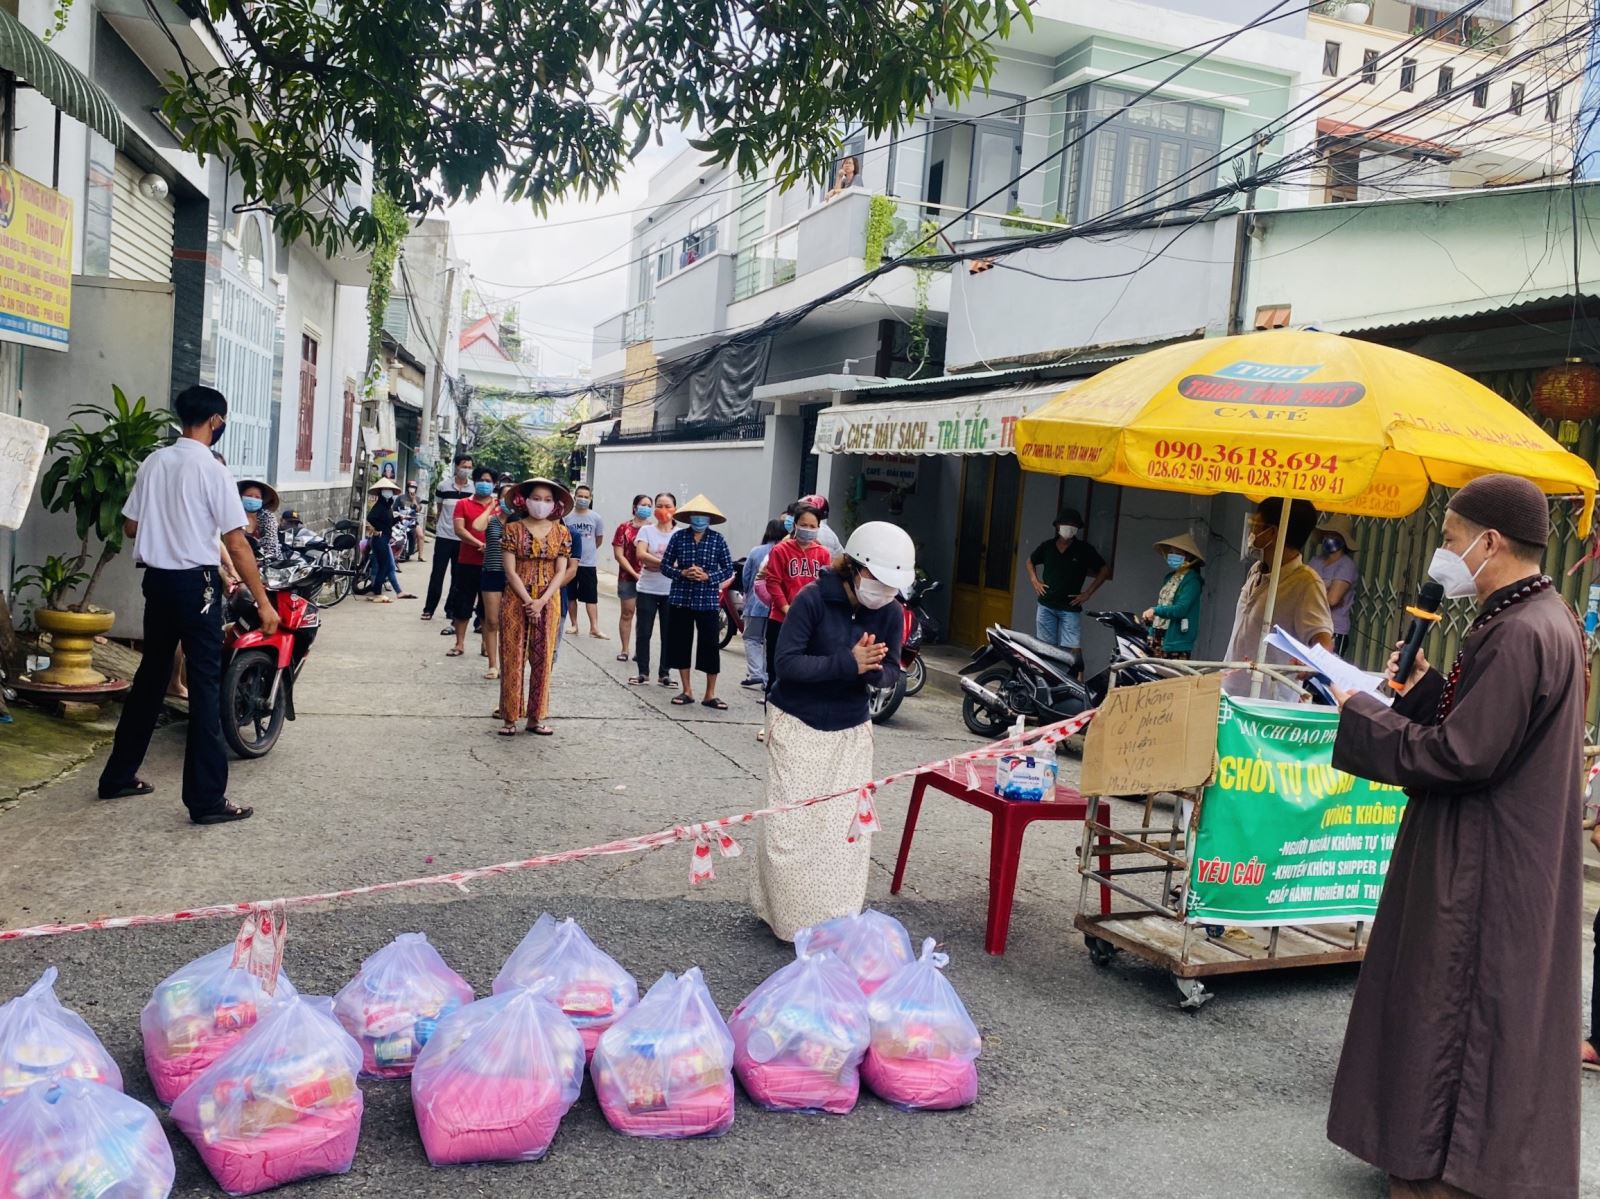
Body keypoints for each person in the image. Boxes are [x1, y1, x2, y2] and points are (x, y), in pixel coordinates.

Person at [1326, 474, 1584, 1199]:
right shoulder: (1539, 617)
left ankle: (1450, 1172)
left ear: (1490, 542)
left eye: (1449, 539)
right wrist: (1425, 690)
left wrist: (1365, 713)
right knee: (1482, 1011)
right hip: (1502, 846)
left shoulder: (1521, 630)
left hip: (1485, 859)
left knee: (1459, 1009)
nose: (1445, 554)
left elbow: (1461, 755)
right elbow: (1488, 727)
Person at [98, 385, 276, 825]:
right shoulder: (212, 470)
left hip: (157, 583)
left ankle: (118, 775)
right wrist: (263, 602)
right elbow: (236, 542)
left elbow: (131, 527)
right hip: (195, 585)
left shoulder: (154, 462)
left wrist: (169, 523)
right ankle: (206, 800)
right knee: (205, 684)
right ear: (216, 421)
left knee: (152, 675)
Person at [752, 521, 912, 940]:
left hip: (851, 727)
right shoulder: (811, 600)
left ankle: (835, 922)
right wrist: (848, 662)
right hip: (798, 721)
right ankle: (787, 922)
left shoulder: (892, 611)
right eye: (878, 580)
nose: (885, 592)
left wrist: (876, 672)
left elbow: (892, 668)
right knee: (791, 826)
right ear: (855, 568)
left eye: (893, 585)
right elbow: (786, 664)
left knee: (842, 832)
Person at [1223, 498, 1334, 700]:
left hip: (1268, 700)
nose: (1251, 532)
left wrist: (1313, 661)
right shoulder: (1256, 571)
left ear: (1272, 533)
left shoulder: (1306, 583)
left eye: (1255, 526)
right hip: (1231, 691)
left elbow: (1323, 639)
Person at [499, 478, 572, 736]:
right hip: (515, 597)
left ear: (555, 505)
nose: (542, 504)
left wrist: (541, 600)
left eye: (548, 500)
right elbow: (509, 569)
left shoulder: (562, 532)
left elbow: (561, 569)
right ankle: (509, 717)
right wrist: (528, 600)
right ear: (524, 501)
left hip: (549, 600)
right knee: (512, 656)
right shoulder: (512, 529)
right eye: (537, 498)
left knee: (543, 658)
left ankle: (536, 717)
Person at [660, 494, 734, 709]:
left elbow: (728, 569)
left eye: (703, 516)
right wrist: (683, 572)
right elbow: (665, 566)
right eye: (695, 515)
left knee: (710, 646)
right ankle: (687, 690)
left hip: (708, 600)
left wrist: (708, 577)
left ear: (710, 518)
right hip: (681, 597)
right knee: (681, 643)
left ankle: (710, 693)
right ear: (689, 517)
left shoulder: (717, 540)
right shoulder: (679, 537)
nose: (699, 519)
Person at [762, 503, 834, 691]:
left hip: (810, 623)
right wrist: (786, 608)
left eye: (812, 526)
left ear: (818, 528)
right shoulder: (780, 550)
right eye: (803, 524)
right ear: (794, 525)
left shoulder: (823, 554)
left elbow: (826, 587)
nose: (808, 530)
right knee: (775, 673)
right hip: (780, 619)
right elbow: (773, 582)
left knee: (803, 674)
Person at [1026, 507, 1110, 655]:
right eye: (1066, 523)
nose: (1069, 527)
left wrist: (1088, 593)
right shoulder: (1047, 546)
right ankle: (1047, 678)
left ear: (1077, 528)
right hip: (1046, 605)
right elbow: (1030, 561)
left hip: (1070, 607)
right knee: (1045, 648)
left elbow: (1104, 570)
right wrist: (1035, 580)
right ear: (1058, 526)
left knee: (1072, 649)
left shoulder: (1084, 549)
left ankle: (1074, 678)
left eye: (1073, 525)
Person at [444, 467, 495, 656]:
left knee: (487, 607)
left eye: (489, 481)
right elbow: (459, 529)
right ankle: (459, 643)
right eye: (482, 480)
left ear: (494, 484)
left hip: (492, 564)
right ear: (475, 482)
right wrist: (479, 544)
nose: (485, 483)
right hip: (467, 561)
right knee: (462, 603)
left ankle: (486, 644)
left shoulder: (499, 506)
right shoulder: (463, 504)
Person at [630, 493, 678, 687]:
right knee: (644, 632)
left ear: (675, 508)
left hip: (671, 590)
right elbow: (641, 554)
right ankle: (643, 672)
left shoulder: (680, 534)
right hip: (647, 588)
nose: (663, 510)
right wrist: (667, 564)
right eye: (659, 505)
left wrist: (657, 563)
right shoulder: (646, 531)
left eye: (667, 506)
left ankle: (665, 673)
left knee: (669, 632)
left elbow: (682, 560)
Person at [423, 454, 472, 624]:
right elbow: (439, 507)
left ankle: (451, 609)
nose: (466, 470)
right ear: (456, 466)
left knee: (457, 576)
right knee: (437, 573)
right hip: (444, 536)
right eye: (464, 466)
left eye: (469, 467)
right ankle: (429, 609)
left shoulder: (472, 489)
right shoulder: (443, 486)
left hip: (463, 538)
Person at [469, 478, 510, 680]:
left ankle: (508, 664)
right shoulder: (492, 521)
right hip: (491, 572)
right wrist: (491, 507)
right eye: (504, 498)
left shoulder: (521, 523)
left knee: (508, 623)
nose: (508, 502)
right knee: (492, 621)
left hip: (513, 577)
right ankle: (493, 665)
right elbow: (476, 526)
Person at [1140, 532, 1204, 659]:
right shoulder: (1169, 578)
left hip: (1176, 643)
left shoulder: (1192, 581)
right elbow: (1163, 604)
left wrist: (1155, 610)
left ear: (1188, 557)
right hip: (1157, 638)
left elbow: (1181, 609)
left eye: (1178, 554)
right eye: (1171, 553)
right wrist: (1152, 623)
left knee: (1169, 678)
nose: (1173, 556)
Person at [740, 519, 786, 688]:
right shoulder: (785, 551)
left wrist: (747, 593)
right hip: (778, 605)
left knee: (752, 638)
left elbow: (746, 576)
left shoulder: (756, 551)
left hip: (756, 603)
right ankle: (767, 678)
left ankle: (756, 673)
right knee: (770, 642)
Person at [1311, 514, 1360, 657]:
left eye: (1335, 534)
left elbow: (1332, 600)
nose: (1329, 537)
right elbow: (1301, 589)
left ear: (1343, 540)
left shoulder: (1346, 565)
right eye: (1328, 533)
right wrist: (1326, 585)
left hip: (1334, 631)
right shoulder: (1316, 561)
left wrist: (1314, 589)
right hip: (1312, 627)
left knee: (1323, 676)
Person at [563, 483, 607, 638]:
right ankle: (574, 624)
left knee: (591, 596)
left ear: (590, 499)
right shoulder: (567, 517)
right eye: (580, 496)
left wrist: (587, 551)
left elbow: (599, 540)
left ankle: (594, 627)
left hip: (588, 563)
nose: (582, 499)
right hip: (570, 563)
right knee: (571, 595)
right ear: (575, 497)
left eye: (586, 497)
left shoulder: (596, 518)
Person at [612, 494, 650, 663]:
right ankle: (625, 649)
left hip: (649, 579)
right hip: (628, 576)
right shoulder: (624, 528)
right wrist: (634, 573)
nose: (647, 508)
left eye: (650, 505)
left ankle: (640, 650)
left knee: (645, 616)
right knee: (627, 613)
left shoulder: (652, 529)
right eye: (643, 504)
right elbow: (619, 555)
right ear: (635, 507)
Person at [364, 478, 414, 602]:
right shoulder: (380, 505)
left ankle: (379, 591)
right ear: (381, 492)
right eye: (386, 490)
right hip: (380, 540)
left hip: (384, 539)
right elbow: (371, 517)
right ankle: (377, 592)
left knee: (383, 566)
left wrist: (399, 518)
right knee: (384, 566)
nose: (389, 492)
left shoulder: (387, 506)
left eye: (390, 490)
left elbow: (389, 523)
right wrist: (379, 528)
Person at [237, 479, 280, 560]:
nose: (253, 499)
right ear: (241, 497)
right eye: (249, 496)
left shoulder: (267, 517)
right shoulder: (234, 516)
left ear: (261, 500)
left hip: (266, 563)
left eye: (257, 497)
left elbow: (271, 547)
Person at [398, 481, 423, 561]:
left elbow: (418, 510)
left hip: (413, 520)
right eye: (411, 487)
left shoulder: (418, 499)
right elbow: (395, 508)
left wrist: (414, 500)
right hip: (402, 520)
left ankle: (421, 556)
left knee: (420, 535)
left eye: (414, 488)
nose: (412, 489)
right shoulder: (401, 498)